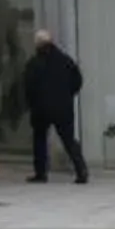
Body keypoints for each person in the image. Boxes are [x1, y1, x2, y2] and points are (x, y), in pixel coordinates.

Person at [20, 29, 88, 184]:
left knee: (40, 140)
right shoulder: (65, 60)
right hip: (63, 107)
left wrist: (31, 103)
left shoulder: (34, 63)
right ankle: (81, 169)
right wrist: (68, 95)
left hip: (41, 108)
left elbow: (27, 86)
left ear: (37, 44)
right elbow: (77, 80)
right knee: (68, 139)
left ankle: (41, 172)